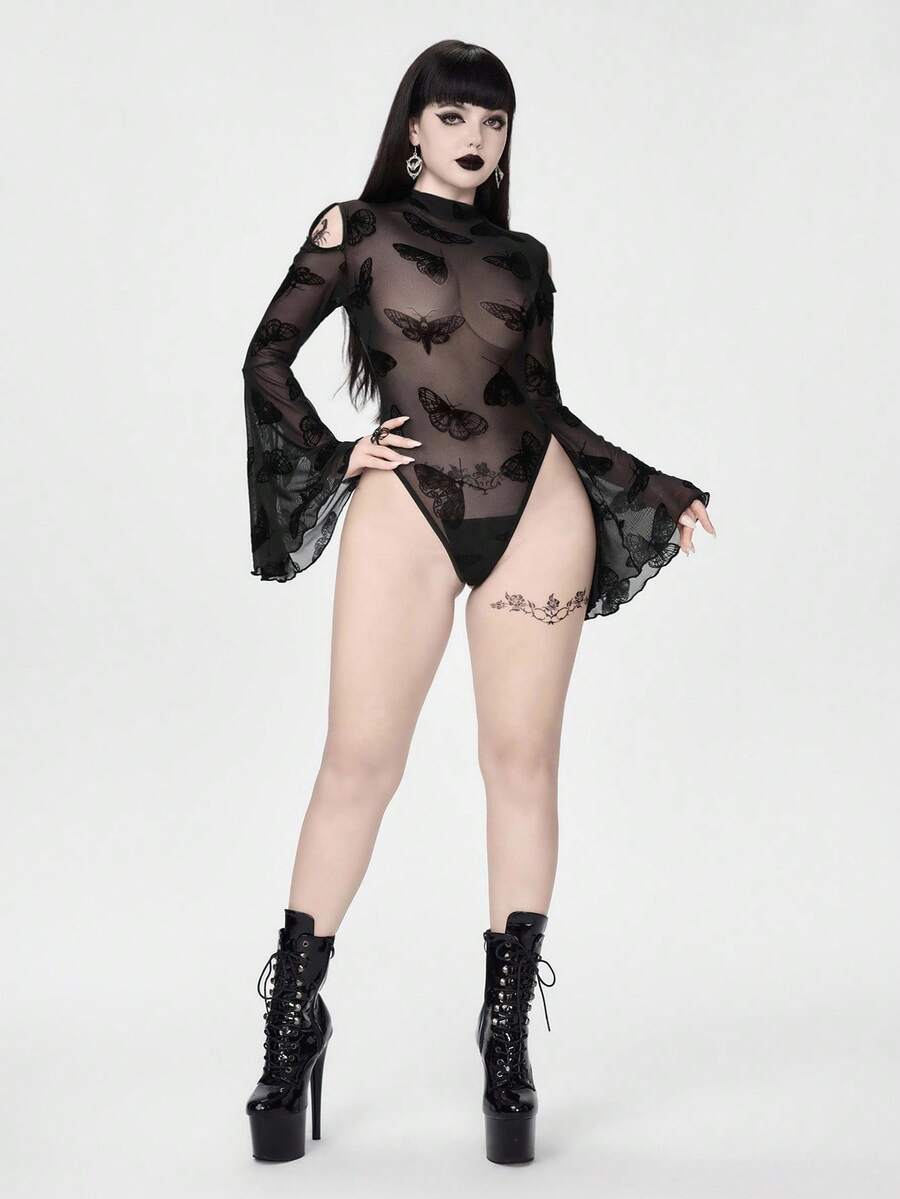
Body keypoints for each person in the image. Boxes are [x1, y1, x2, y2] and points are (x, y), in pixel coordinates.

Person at [242, 39, 716, 1167]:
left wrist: (652, 484)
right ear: (413, 125)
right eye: (454, 115)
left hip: (538, 509)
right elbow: (265, 357)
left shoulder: (524, 256)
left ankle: (505, 1040)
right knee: (358, 764)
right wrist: (337, 454)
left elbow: (542, 404)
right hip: (407, 505)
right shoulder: (354, 229)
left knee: (521, 762)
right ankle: (291, 1025)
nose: (475, 137)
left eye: (493, 121)